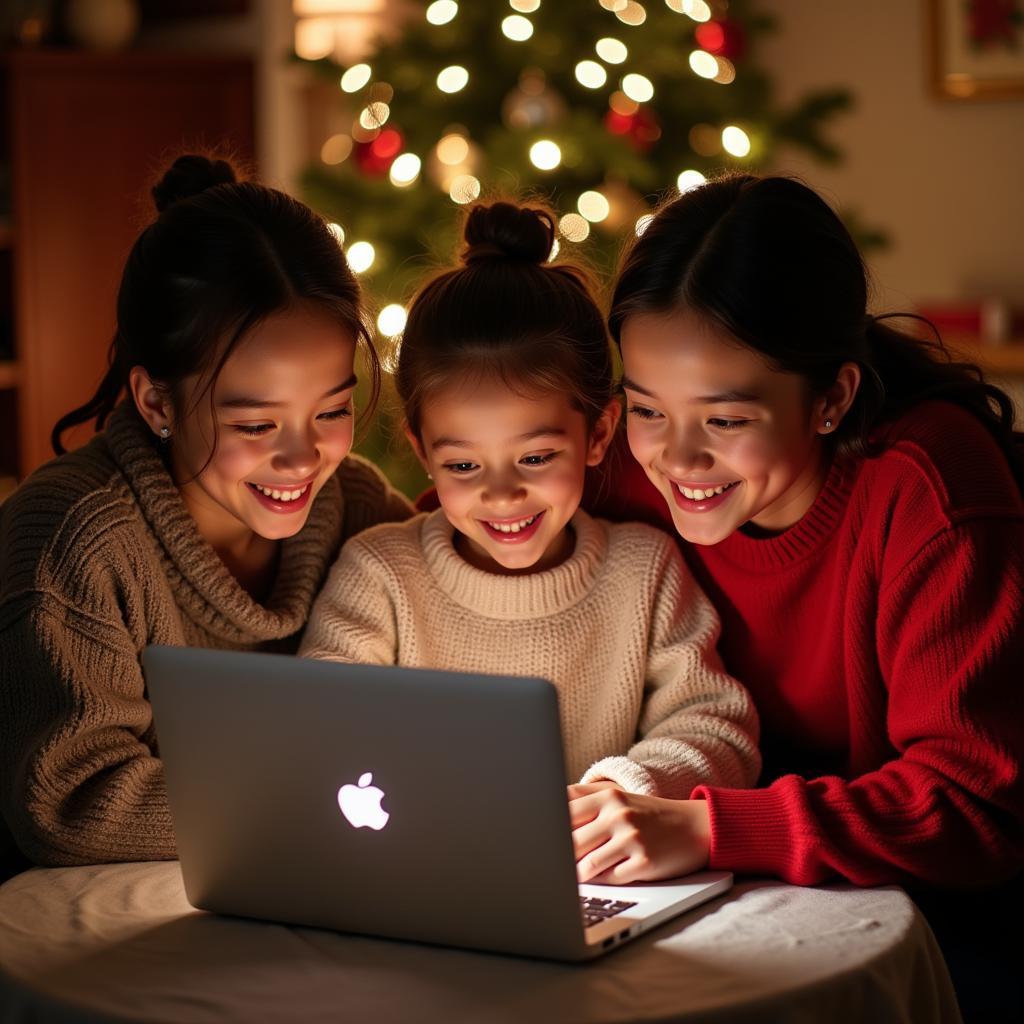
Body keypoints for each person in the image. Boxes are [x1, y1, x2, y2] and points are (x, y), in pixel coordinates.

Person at [576, 172, 1024, 1017]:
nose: (677, 459)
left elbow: (973, 807)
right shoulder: (625, 471)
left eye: (727, 419)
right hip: (729, 901)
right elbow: (439, 533)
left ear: (832, 398)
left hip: (948, 927)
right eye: (645, 409)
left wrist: (710, 827)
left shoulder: (930, 490)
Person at [0, 154, 412, 878]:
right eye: (256, 425)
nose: (303, 457)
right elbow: (68, 803)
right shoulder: (76, 537)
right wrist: (312, 797)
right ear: (157, 402)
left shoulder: (363, 509)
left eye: (334, 410)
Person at [299, 200, 760, 799]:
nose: (500, 493)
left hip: (600, 867)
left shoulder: (643, 572)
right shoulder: (381, 574)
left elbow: (714, 724)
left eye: (536, 458)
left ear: (597, 434)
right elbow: (320, 724)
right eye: (462, 465)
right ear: (422, 452)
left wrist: (628, 787)